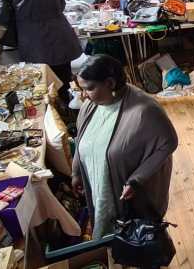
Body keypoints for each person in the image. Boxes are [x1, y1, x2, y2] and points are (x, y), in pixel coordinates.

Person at [71, 55, 178, 240]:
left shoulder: (145, 109)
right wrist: (77, 172)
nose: (83, 95)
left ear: (110, 83)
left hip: (130, 196)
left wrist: (137, 179)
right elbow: (81, 139)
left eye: (89, 88)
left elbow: (168, 143)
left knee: (136, 239)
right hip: (101, 187)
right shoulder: (90, 106)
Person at [0, 0, 81, 99]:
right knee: (65, 77)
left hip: (33, 40)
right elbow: (62, 5)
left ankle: (52, 114)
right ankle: (70, 110)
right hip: (61, 35)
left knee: (41, 81)